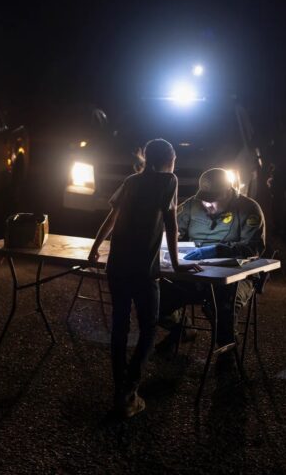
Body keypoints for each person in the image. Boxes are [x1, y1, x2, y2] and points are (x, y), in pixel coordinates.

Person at [88, 138, 201, 418]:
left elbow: (112, 218)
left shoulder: (132, 181)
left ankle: (120, 391)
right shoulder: (168, 181)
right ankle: (130, 390)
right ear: (169, 159)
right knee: (149, 328)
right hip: (143, 269)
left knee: (120, 326)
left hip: (117, 266)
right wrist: (177, 263)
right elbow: (171, 225)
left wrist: (94, 249)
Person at [158, 167, 266, 350]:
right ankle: (182, 330)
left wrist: (217, 250)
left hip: (238, 274)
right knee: (155, 294)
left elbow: (254, 247)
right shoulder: (192, 205)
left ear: (229, 192)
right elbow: (169, 232)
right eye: (205, 200)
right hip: (196, 272)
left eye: (213, 200)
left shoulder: (248, 208)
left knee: (223, 304)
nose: (208, 205)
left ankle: (227, 353)